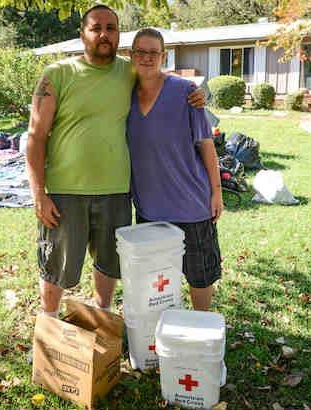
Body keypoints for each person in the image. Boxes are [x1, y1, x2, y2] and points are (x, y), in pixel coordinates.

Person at [26, 5, 205, 317]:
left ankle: (102, 318)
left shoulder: (129, 71)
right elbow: (36, 136)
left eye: (111, 28)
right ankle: (49, 327)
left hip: (116, 191)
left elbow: (163, 80)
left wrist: (201, 93)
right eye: (96, 28)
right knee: (57, 266)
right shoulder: (57, 75)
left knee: (109, 263)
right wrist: (38, 193)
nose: (104, 34)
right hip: (66, 192)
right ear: (82, 33)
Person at [126, 28, 223, 311]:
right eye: (140, 52)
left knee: (199, 276)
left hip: (191, 206)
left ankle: (201, 330)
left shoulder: (186, 92)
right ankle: (158, 337)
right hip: (149, 210)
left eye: (153, 52)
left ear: (163, 56)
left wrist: (216, 193)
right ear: (131, 55)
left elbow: (207, 146)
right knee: (157, 281)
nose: (146, 58)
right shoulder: (124, 95)